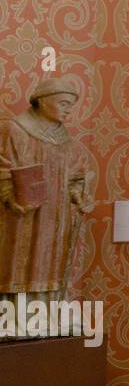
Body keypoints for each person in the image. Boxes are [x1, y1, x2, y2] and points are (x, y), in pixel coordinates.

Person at [0, 76, 95, 302]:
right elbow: (4, 169)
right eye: (63, 103)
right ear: (42, 101)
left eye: (71, 106)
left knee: (50, 261)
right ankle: (12, 311)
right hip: (21, 214)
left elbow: (74, 178)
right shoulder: (15, 129)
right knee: (17, 259)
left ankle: (46, 311)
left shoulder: (64, 138)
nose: (68, 111)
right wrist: (12, 199)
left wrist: (79, 197)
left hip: (55, 216)